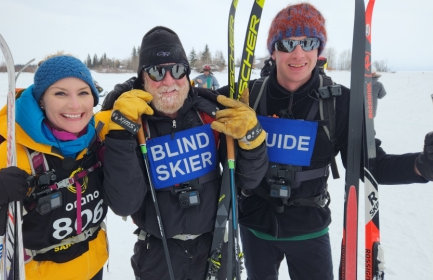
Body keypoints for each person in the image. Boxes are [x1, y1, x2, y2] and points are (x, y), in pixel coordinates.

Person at [215, 3, 433, 279]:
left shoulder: (340, 102)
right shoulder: (246, 96)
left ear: (319, 51)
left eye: (308, 42)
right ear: (273, 50)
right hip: (254, 226)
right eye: (286, 43)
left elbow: (370, 165)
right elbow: (190, 108)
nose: (298, 53)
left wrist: (420, 166)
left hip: (309, 230)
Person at [97, 26, 268, 280]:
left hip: (217, 245)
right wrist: (121, 136)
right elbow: (124, 204)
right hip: (158, 254)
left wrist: (252, 140)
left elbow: (246, 181)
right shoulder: (130, 122)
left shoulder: (209, 114)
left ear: (188, 74)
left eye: (177, 70)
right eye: (157, 71)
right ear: (142, 78)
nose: (169, 81)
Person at [0, 55, 108, 280]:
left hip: (94, 268)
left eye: (83, 93)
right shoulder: (13, 157)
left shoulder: (97, 136)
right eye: (60, 93)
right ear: (41, 100)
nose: (75, 105)